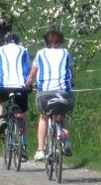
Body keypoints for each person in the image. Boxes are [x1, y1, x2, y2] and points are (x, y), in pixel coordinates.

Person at [25, 28, 75, 161]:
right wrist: (72, 84)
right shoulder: (66, 53)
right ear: (61, 40)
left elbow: (32, 75)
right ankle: (67, 141)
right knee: (62, 116)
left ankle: (41, 150)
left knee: (44, 117)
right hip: (64, 93)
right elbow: (71, 74)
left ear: (46, 41)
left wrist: (28, 84)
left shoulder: (41, 53)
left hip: (45, 94)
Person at [0, 31, 30, 161]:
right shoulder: (23, 50)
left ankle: (1, 119)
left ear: (5, 42)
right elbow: (30, 68)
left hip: (4, 88)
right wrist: (29, 85)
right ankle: (23, 145)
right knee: (22, 113)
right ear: (18, 41)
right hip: (21, 88)